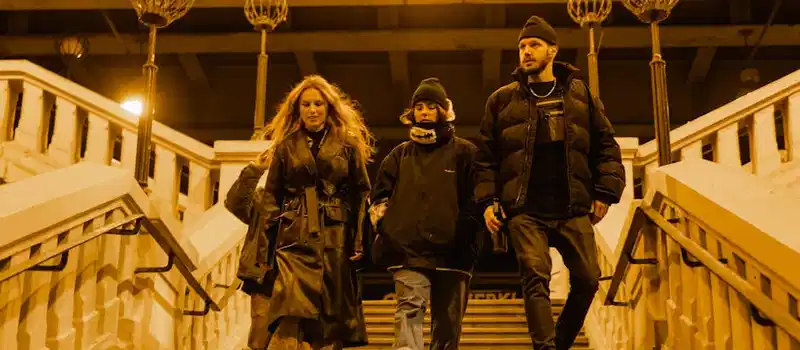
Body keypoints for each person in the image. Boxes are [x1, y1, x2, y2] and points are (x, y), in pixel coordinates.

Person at [474, 15, 626, 350]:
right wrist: (488, 202)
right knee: (535, 274)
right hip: (524, 208)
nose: (526, 52)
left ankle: (559, 344)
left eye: (534, 45)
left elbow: (606, 146)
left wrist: (605, 192)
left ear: (553, 50)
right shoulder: (501, 100)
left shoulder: (581, 95)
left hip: (572, 206)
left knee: (588, 279)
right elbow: (485, 158)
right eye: (522, 46)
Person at [225, 75, 375, 350]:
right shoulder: (286, 146)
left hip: (335, 237)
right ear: (297, 109)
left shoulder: (348, 146)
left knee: (329, 318)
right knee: (290, 311)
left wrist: (359, 239)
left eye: (318, 103)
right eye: (306, 104)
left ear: (329, 107)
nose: (313, 109)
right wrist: (265, 252)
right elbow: (271, 199)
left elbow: (361, 194)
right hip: (293, 238)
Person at [369, 78, 482, 350]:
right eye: (419, 107)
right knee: (409, 310)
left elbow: (476, 198)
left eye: (431, 106)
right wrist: (390, 231)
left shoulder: (465, 152)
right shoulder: (398, 156)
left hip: (454, 253)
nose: (424, 112)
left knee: (448, 328)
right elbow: (379, 199)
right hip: (408, 251)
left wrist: (466, 234)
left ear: (443, 110)